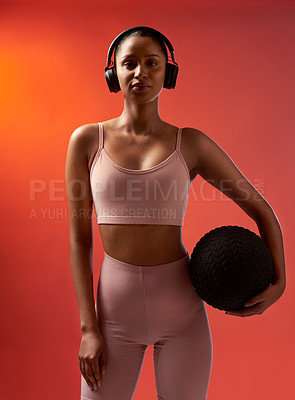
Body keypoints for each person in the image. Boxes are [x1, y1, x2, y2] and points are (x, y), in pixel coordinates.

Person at [65, 26, 286, 400]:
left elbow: (261, 209)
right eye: (129, 63)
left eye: (152, 63)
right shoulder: (87, 141)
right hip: (114, 313)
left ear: (168, 73)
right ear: (112, 73)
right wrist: (89, 327)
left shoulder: (191, 143)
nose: (140, 73)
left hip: (181, 310)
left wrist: (279, 282)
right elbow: (79, 238)